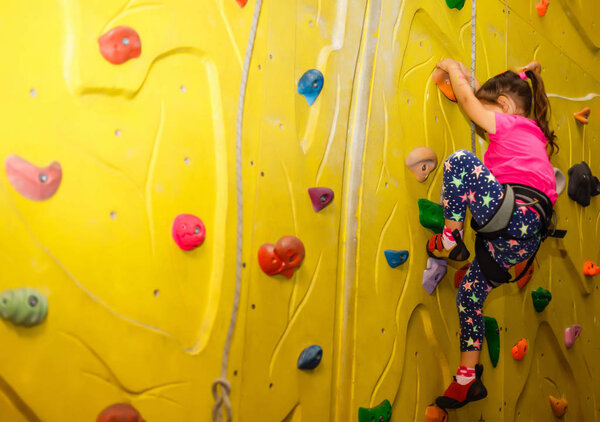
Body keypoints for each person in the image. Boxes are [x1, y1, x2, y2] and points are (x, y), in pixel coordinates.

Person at [427, 59, 558, 410]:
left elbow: (472, 103)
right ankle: (467, 379)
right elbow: (491, 101)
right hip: (519, 242)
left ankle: (451, 238)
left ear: (503, 108)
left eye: (488, 116)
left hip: (516, 215)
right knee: (469, 297)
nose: (483, 127)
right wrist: (519, 73)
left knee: (459, 161)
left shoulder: (513, 125)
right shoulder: (530, 135)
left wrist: (452, 68)